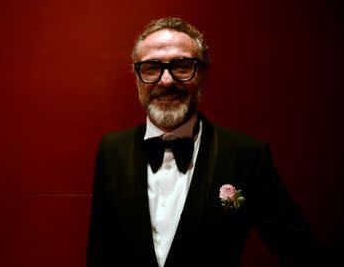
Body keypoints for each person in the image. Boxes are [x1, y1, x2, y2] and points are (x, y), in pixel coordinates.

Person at [87, 17, 323, 267]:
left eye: (182, 66)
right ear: (137, 77)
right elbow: (100, 252)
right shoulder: (111, 149)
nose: (166, 81)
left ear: (202, 74)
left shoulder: (247, 155)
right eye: (151, 68)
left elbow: (302, 251)